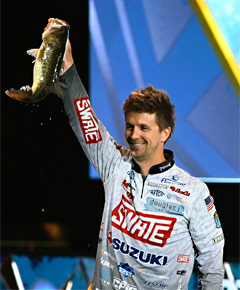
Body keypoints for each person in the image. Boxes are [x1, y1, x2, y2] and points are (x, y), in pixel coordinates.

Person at [60, 36, 224, 289]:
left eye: (144, 128)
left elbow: (212, 269)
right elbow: (86, 122)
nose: (134, 135)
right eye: (130, 126)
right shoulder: (115, 165)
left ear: (165, 133)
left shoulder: (194, 192)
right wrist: (68, 67)